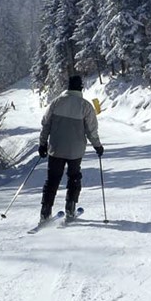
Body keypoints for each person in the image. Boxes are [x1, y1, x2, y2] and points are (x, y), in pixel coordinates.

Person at [38, 74, 103, 221]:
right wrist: (97, 146)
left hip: (56, 148)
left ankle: (45, 211)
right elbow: (91, 130)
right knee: (74, 177)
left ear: (68, 87)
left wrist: (42, 144)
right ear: (81, 88)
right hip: (75, 151)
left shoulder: (56, 102)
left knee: (52, 179)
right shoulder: (85, 106)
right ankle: (70, 206)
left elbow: (46, 124)